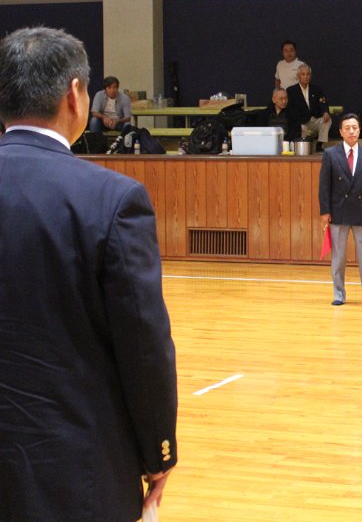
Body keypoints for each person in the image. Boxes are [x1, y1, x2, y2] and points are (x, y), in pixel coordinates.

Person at [0, 26, 178, 522]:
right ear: (75, 95)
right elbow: (143, 343)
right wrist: (158, 450)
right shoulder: (111, 199)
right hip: (73, 460)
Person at [319, 113, 362, 306]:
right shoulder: (330, 154)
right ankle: (338, 294)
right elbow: (324, 186)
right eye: (347, 128)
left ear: (359, 130)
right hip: (338, 211)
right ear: (340, 132)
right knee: (338, 257)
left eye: (354, 127)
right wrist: (325, 211)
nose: (351, 131)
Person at [286, 63, 331, 141]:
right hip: (302, 122)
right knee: (299, 128)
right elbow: (291, 109)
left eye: (308, 74)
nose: (306, 76)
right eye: (303, 74)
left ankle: (320, 143)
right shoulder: (291, 90)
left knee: (327, 121)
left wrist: (325, 112)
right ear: (298, 76)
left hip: (315, 120)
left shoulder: (317, 89)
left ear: (310, 76)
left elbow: (323, 102)